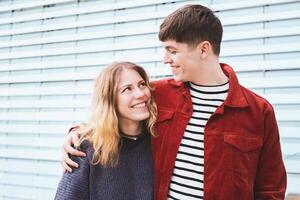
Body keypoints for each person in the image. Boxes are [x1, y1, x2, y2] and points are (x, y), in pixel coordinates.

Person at [61, 4, 287, 200]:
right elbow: (114, 111)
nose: (166, 59)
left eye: (173, 51)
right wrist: (77, 133)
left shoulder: (258, 111)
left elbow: (270, 190)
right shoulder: (157, 94)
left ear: (204, 49)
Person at [55, 61, 157, 200]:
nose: (140, 94)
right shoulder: (85, 148)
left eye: (142, 84)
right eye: (127, 89)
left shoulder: (159, 141)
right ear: (109, 100)